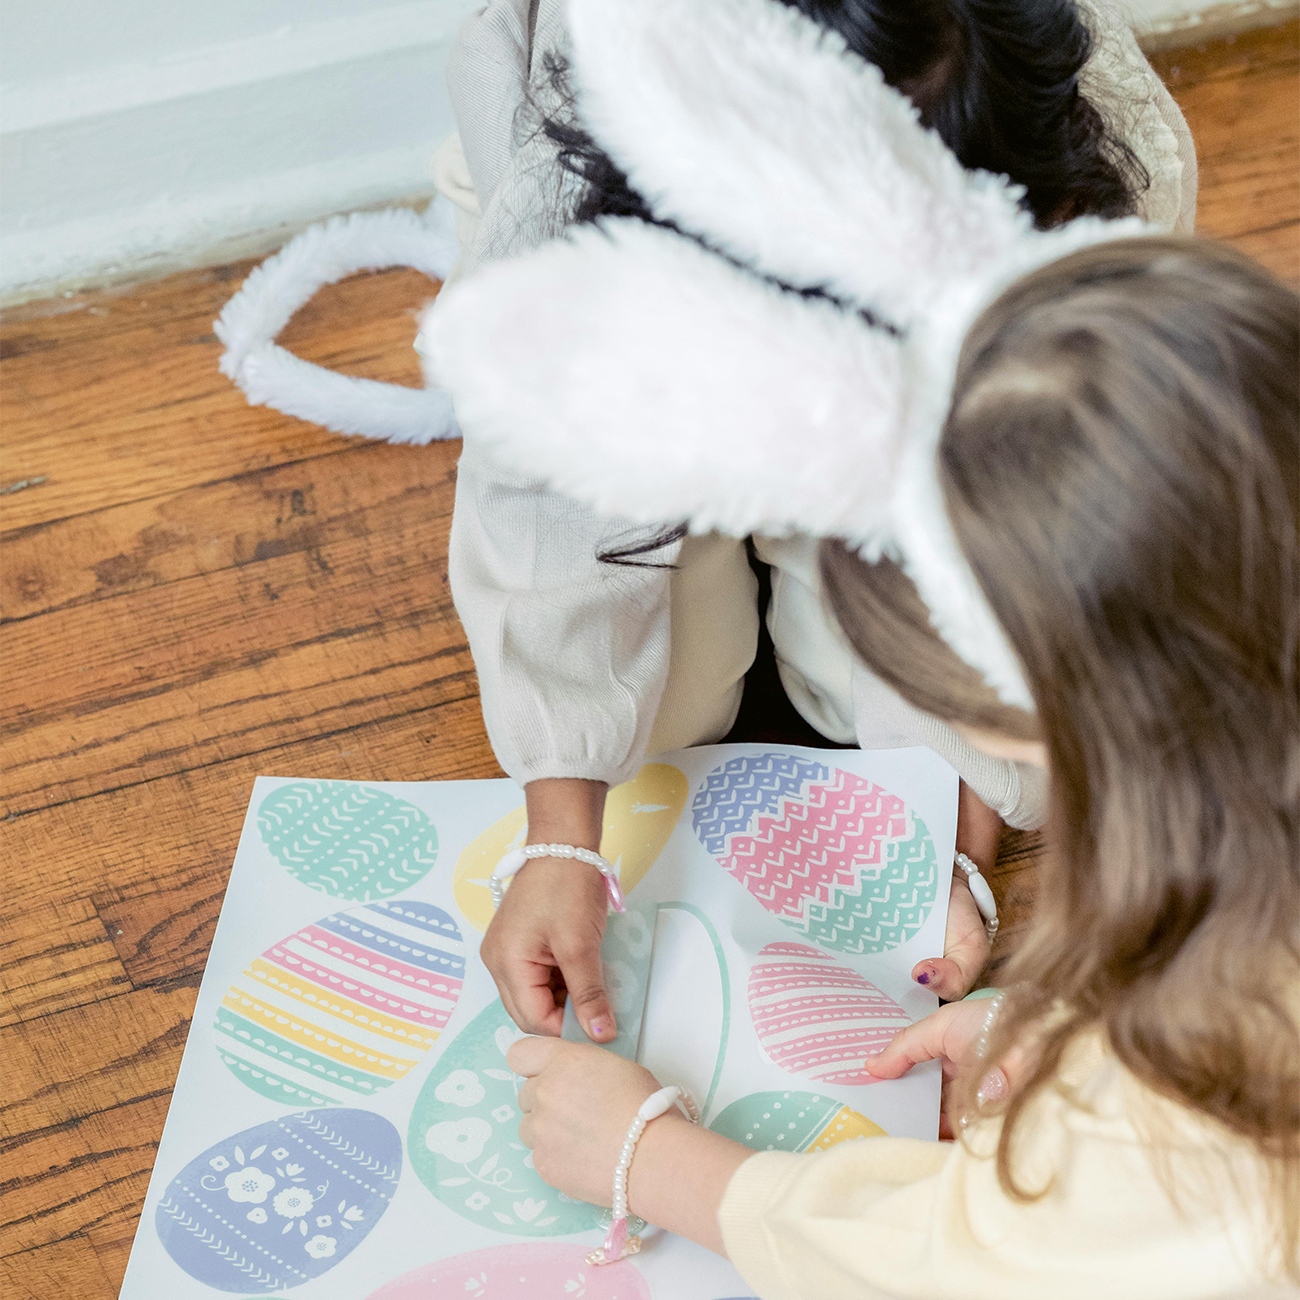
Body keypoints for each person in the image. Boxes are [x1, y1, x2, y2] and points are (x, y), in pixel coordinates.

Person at [497, 233, 1297, 1296]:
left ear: (1042, 715)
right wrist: (1059, 1028)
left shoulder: (1185, 1094)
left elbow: (978, 1269)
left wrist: (658, 1164)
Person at [427, 0, 1198, 1039]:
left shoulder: (1105, 192)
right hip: (606, 243)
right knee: (660, 722)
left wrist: (948, 838)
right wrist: (560, 837)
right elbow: (541, 509)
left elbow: (1033, 521)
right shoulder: (574, 198)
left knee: (875, 690)